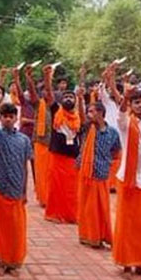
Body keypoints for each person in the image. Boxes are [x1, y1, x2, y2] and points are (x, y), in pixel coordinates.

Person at [106, 68, 141, 280]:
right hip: (129, 180)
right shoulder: (126, 125)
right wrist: (125, 97)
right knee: (127, 222)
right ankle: (126, 263)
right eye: (136, 102)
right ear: (131, 105)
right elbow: (120, 114)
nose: (140, 105)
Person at [0, 102, 33, 275]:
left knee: (16, 228)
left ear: (16, 118)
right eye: (5, 117)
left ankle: (14, 261)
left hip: (17, 188)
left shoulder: (24, 140)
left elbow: (25, 166)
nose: (8, 120)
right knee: (0, 226)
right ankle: (1, 261)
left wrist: (25, 190)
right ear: (1, 118)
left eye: (11, 117)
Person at [76, 100, 121, 248]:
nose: (89, 115)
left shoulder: (113, 132)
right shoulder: (88, 128)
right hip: (87, 172)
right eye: (88, 112)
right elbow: (82, 117)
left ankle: (101, 235)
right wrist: (81, 99)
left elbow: (116, 152)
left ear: (101, 113)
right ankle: (88, 235)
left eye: (92, 111)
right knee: (88, 207)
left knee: (101, 208)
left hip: (102, 173)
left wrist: (107, 162)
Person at [44, 64, 83, 224]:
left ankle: (71, 215)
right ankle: (54, 214)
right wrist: (48, 77)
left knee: (71, 189)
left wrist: (81, 77)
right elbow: (49, 94)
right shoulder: (56, 111)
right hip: (57, 155)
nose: (68, 99)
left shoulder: (79, 116)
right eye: (66, 97)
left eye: (71, 97)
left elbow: (81, 95)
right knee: (56, 187)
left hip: (72, 157)